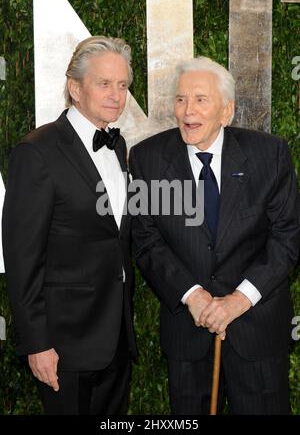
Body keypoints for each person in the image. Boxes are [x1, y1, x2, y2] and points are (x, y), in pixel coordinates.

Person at [129, 56, 300, 415]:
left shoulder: (269, 155)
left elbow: (287, 238)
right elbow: (146, 240)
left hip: (257, 333)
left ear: (227, 111)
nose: (187, 111)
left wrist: (238, 300)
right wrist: (193, 297)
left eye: (201, 99)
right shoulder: (148, 159)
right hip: (187, 335)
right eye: (180, 99)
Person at [2, 36, 137, 415]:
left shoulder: (119, 146)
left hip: (117, 339)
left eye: (123, 85)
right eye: (104, 83)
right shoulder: (38, 152)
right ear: (75, 88)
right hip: (63, 345)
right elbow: (22, 257)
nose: (116, 95)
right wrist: (37, 343)